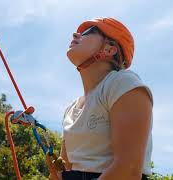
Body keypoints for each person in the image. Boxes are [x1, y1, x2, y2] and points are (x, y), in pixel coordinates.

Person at [46, 17, 153, 180]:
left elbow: (128, 171)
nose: (75, 35)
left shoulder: (122, 83)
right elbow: (67, 169)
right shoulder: (71, 110)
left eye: (87, 32)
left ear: (110, 49)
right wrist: (56, 172)